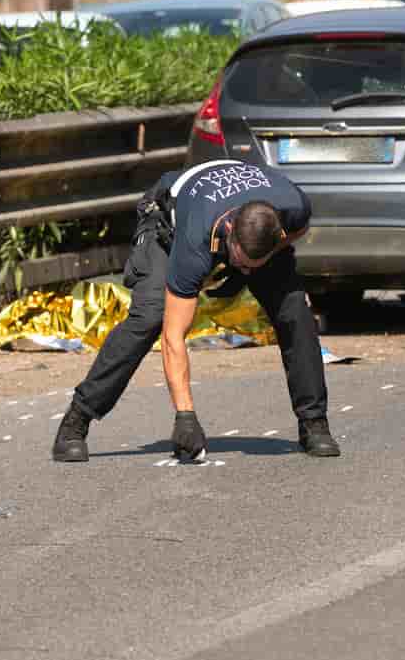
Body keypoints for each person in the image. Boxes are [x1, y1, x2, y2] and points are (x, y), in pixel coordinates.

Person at [51, 159, 340, 462]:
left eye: (250, 267)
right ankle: (75, 421)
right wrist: (185, 415)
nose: (243, 270)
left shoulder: (292, 207)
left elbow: (299, 231)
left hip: (246, 223)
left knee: (295, 310)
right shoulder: (195, 240)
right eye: (239, 262)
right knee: (150, 316)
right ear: (229, 233)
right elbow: (173, 335)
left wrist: (249, 270)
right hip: (168, 219)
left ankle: (314, 424)